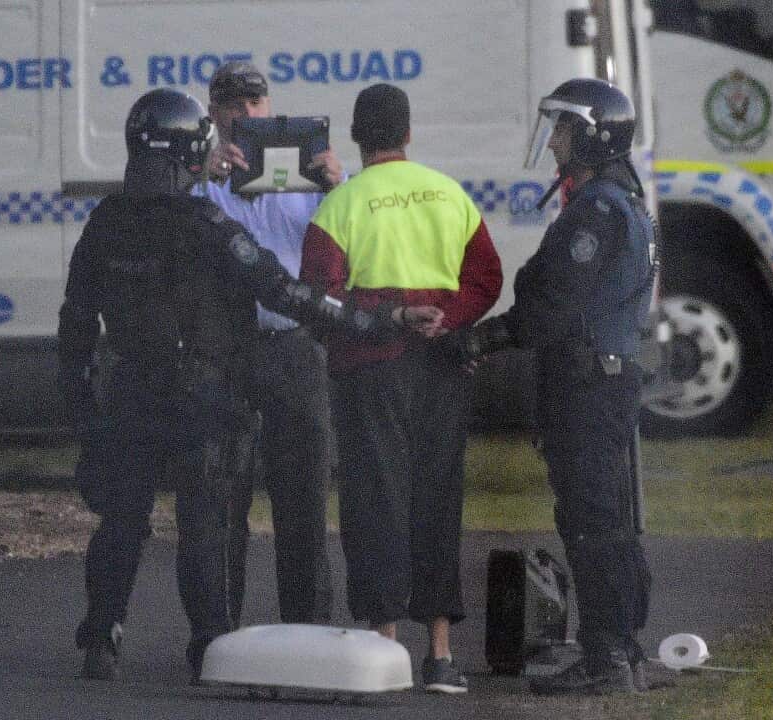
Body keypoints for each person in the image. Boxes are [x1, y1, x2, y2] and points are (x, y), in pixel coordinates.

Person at [57, 86, 442, 684]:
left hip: (128, 392)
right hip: (200, 396)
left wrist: (83, 409)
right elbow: (284, 292)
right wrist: (377, 321)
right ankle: (210, 645)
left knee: (122, 519)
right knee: (203, 521)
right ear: (190, 154)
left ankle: (102, 634)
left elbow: (75, 322)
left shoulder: (105, 223)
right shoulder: (205, 223)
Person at [445, 78, 655, 695]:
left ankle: (607, 658)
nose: (556, 141)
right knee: (609, 517)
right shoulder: (622, 202)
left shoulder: (596, 212)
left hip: (588, 380)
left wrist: (483, 339)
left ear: (592, 134)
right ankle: (620, 648)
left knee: (592, 520)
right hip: (605, 376)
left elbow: (551, 305)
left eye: (564, 129)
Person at [299, 83, 503, 694]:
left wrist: (385, 311)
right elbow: (487, 278)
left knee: (374, 500)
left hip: (369, 369)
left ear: (357, 140)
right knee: (437, 499)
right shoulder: (449, 193)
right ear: (409, 134)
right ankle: (441, 652)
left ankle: (385, 648)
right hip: (441, 367)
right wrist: (449, 316)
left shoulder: (341, 205)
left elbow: (318, 297)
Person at [191, 60, 342, 627]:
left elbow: (341, 251)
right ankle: (218, 635)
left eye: (257, 104)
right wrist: (200, 175)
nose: (249, 114)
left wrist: (337, 188)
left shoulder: (300, 176)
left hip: (295, 349)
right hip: (229, 352)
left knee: (303, 499)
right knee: (221, 501)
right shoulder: (201, 181)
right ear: (216, 115)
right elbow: (176, 231)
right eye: (236, 105)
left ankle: (308, 630)